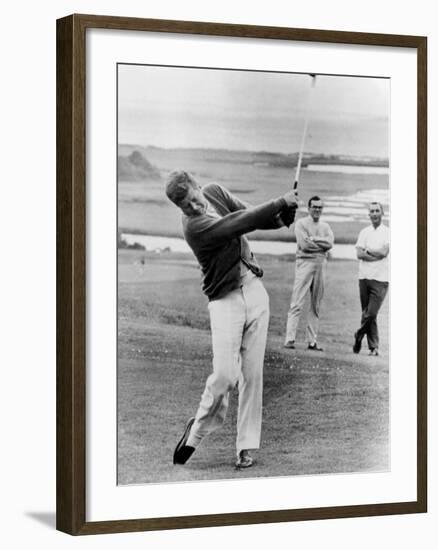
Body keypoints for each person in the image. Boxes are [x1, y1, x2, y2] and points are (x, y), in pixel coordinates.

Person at [165, 170, 298, 469]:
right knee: (225, 375)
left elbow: (247, 213)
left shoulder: (215, 191)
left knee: (253, 376)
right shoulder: (195, 227)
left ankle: (246, 447)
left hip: (254, 291)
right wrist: (279, 201)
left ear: (199, 187)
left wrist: (279, 219)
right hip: (225, 301)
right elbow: (236, 224)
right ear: (180, 209)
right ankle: (196, 432)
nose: (194, 206)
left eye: (195, 198)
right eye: (186, 205)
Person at [284, 196, 334, 351]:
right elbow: (304, 245)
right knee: (297, 302)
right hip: (305, 263)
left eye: (320, 207)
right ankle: (289, 339)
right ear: (309, 207)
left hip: (321, 265)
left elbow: (330, 243)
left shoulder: (325, 226)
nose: (317, 210)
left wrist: (314, 239)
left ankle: (312, 341)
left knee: (315, 304)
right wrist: (321, 245)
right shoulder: (301, 224)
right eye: (315, 207)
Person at [353, 202, 389, 356]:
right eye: (372, 211)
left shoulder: (388, 232)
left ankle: (359, 334)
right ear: (369, 214)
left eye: (377, 211)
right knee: (367, 313)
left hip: (381, 279)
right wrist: (372, 254)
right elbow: (359, 254)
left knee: (371, 313)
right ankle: (374, 347)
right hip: (364, 277)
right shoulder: (364, 232)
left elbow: (383, 253)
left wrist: (368, 251)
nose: (374, 214)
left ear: (382, 213)